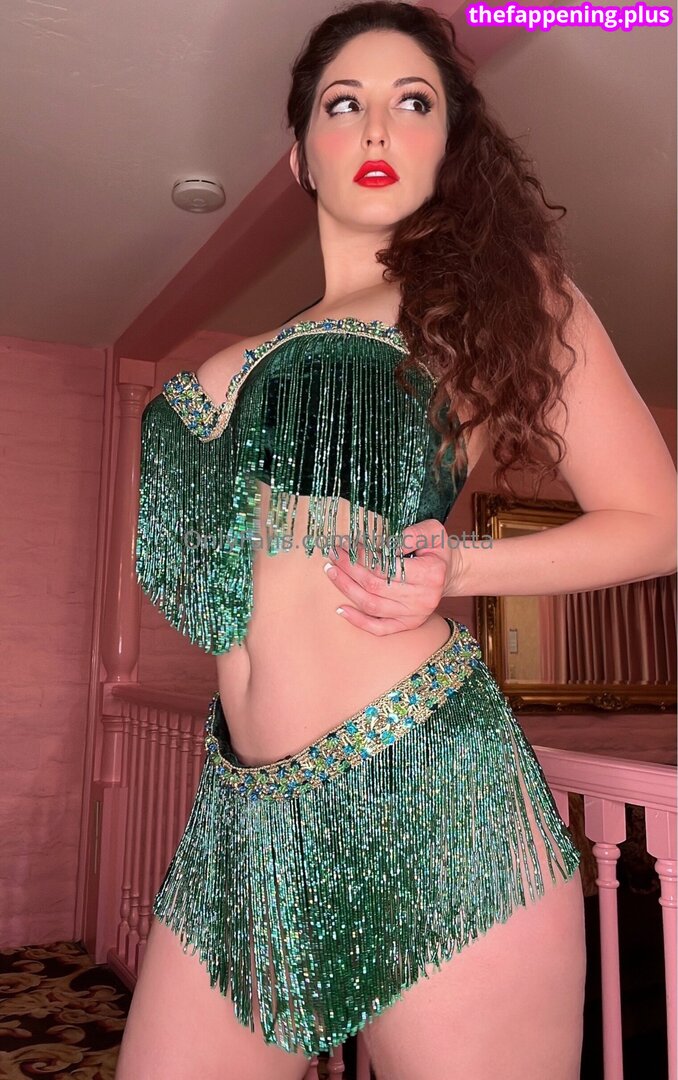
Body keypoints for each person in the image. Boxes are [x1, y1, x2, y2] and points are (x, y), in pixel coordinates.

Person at [115, 3, 677, 1079]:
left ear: (448, 145)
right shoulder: (232, 358)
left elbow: (658, 521)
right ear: (299, 155)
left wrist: (460, 564)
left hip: (431, 793)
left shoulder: (490, 300)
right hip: (242, 820)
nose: (377, 126)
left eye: (413, 103)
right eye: (344, 104)